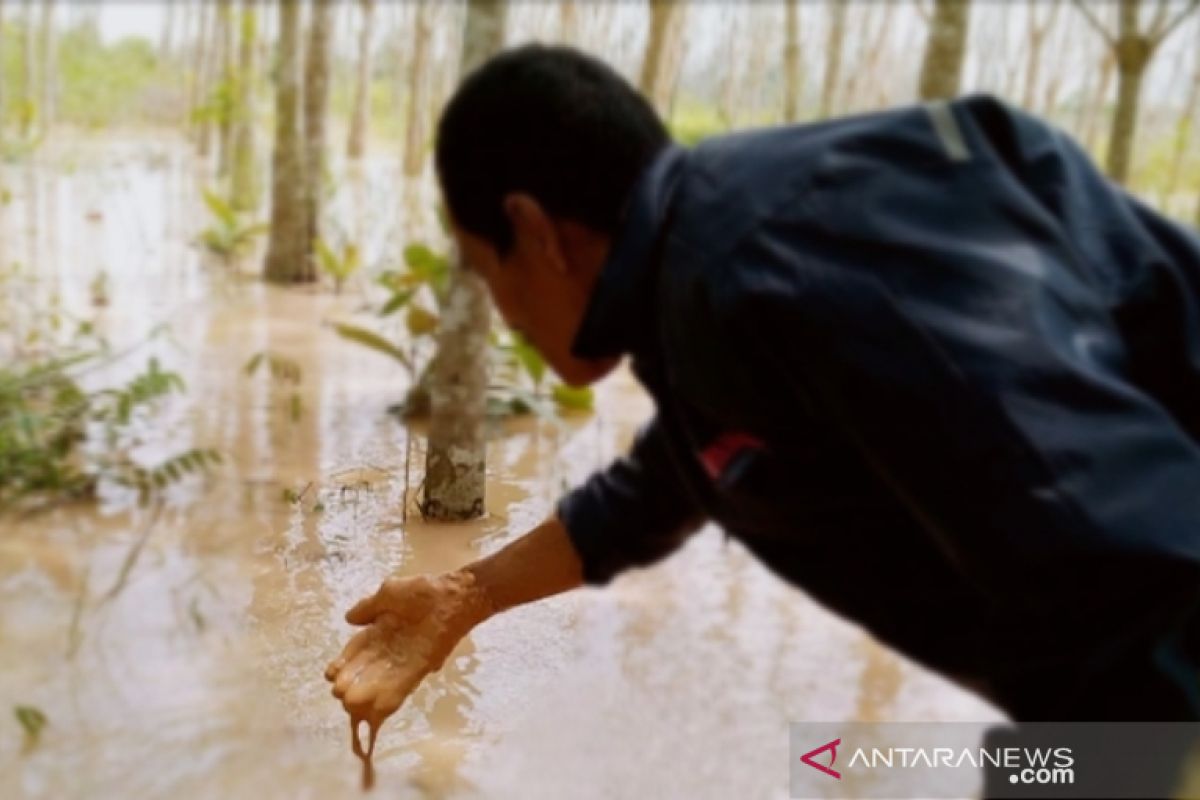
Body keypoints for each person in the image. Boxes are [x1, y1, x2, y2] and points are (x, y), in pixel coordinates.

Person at [325, 43, 1200, 762]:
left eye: (489, 273)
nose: (506, 314)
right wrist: (464, 596)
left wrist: (1094, 772)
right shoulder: (705, 274)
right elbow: (676, 478)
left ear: (537, 232)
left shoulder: (765, 257)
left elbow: (1131, 557)